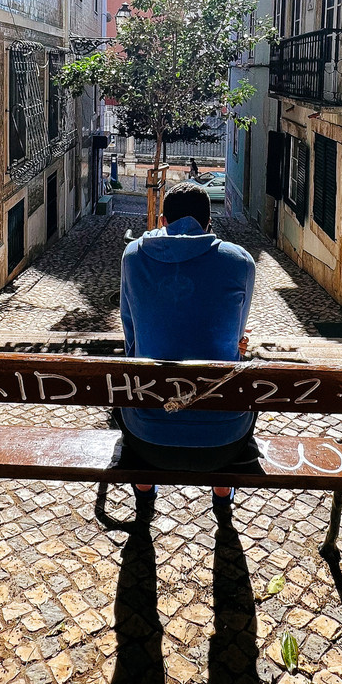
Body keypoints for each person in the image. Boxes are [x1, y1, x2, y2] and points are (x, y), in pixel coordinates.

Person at [118, 180, 255, 506]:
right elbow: (236, 338)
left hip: (148, 435)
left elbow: (130, 337)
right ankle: (222, 491)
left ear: (162, 222)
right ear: (209, 223)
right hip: (223, 439)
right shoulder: (241, 263)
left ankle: (144, 490)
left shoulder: (133, 258)